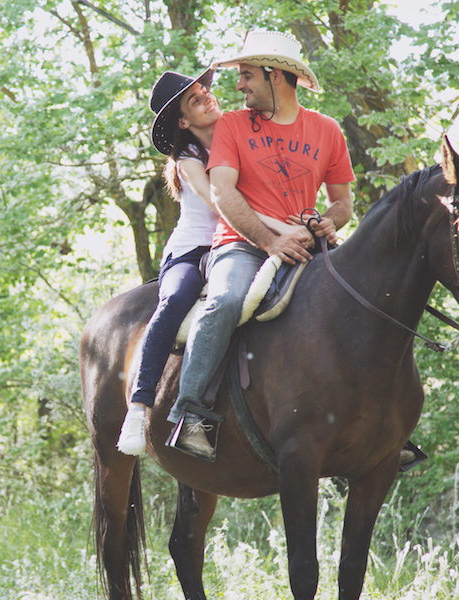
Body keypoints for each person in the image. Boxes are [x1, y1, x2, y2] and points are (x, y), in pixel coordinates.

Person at [167, 29, 356, 460]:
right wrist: (270, 240)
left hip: (306, 244)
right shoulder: (233, 125)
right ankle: (189, 413)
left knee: (368, 296)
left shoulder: (327, 130)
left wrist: (326, 223)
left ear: (277, 76)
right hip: (241, 244)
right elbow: (223, 194)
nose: (239, 85)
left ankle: (386, 424)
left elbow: (343, 202)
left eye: (247, 75)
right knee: (226, 301)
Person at [117, 68, 302, 456]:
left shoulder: (238, 135)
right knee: (174, 300)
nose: (208, 97)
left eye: (206, 91)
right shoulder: (187, 159)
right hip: (196, 250)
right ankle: (139, 407)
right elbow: (220, 201)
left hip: (245, 240)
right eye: (196, 99)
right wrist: (279, 228)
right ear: (184, 121)